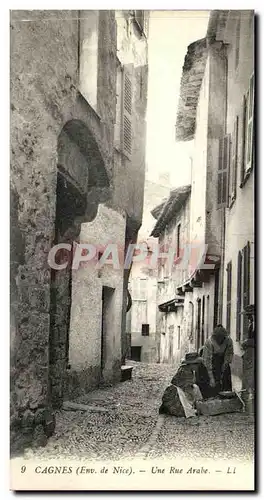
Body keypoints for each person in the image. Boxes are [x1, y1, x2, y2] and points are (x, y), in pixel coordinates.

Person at [159, 353, 203, 418]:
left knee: (196, 388)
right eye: (196, 364)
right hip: (177, 392)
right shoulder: (186, 371)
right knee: (187, 408)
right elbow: (187, 388)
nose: (198, 366)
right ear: (191, 364)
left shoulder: (188, 369)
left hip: (182, 389)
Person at [201, 324, 233, 395]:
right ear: (215, 337)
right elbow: (207, 360)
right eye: (218, 338)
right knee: (213, 386)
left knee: (225, 383)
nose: (220, 339)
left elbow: (229, 355)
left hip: (223, 362)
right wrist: (211, 378)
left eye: (222, 337)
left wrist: (224, 368)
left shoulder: (228, 340)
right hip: (212, 364)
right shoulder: (209, 342)